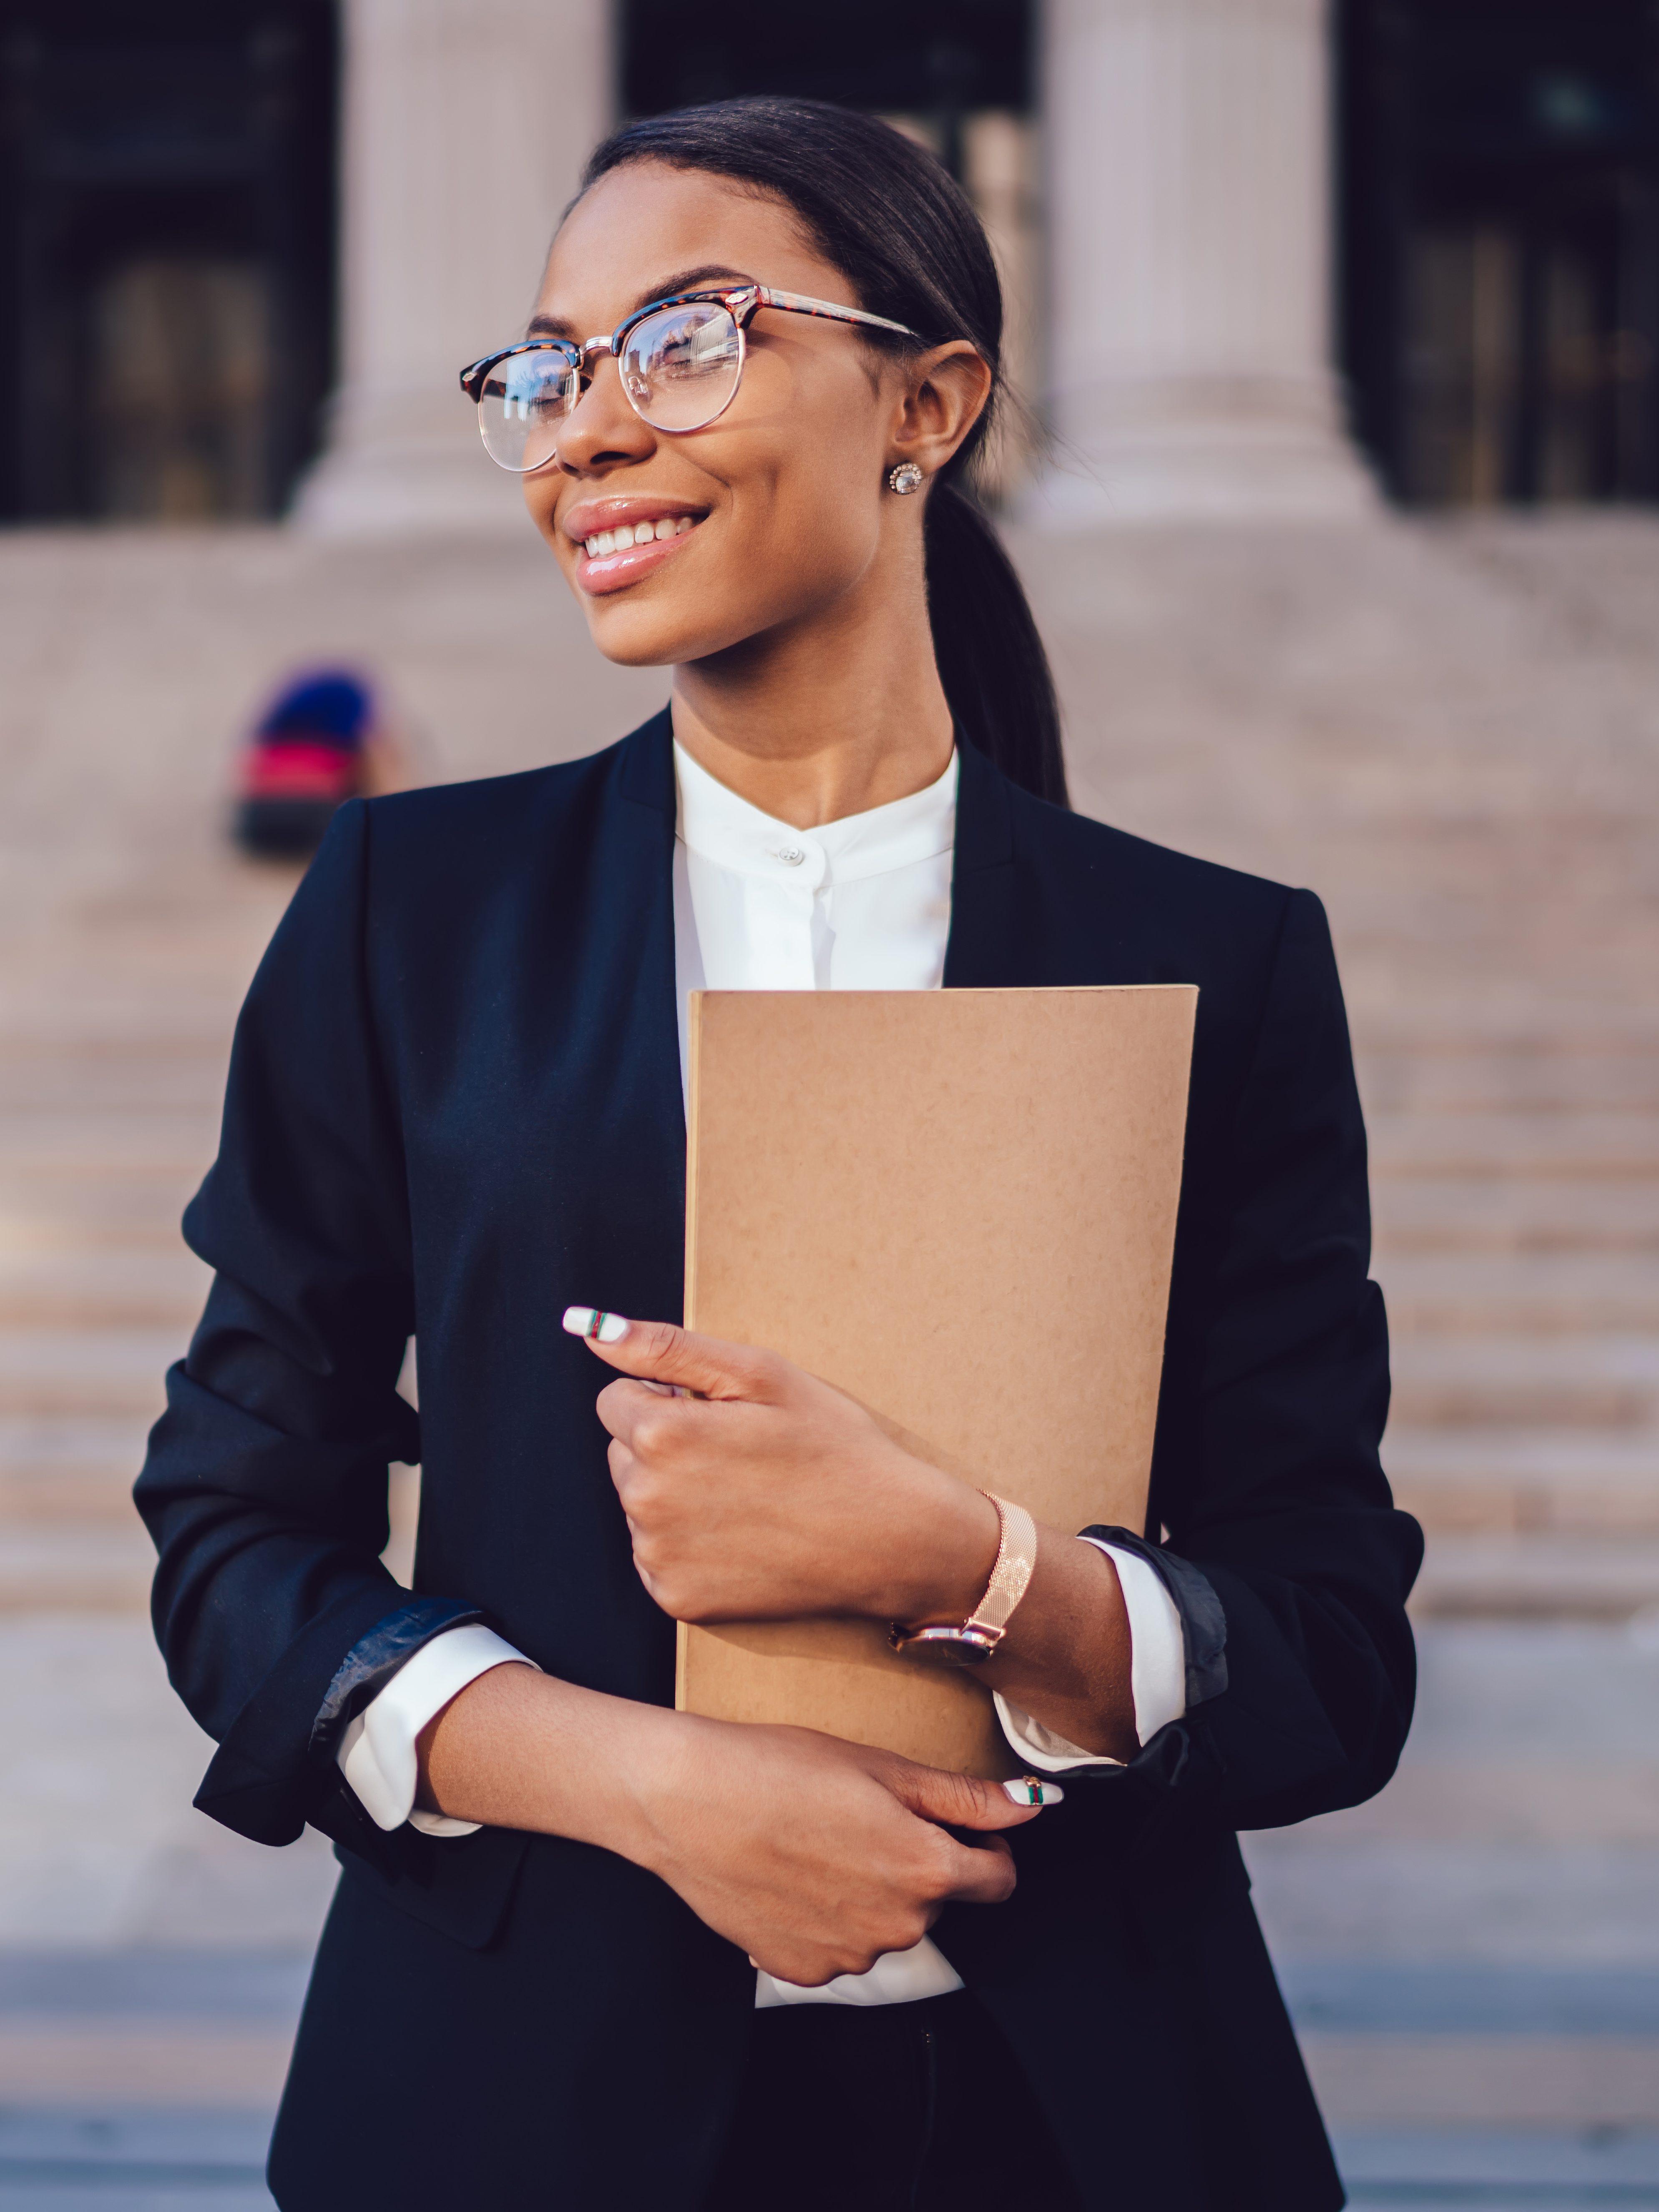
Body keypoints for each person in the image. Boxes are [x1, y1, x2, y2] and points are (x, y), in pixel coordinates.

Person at [136, 97, 1421, 2212]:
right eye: (546, 372)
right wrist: (655, 1786)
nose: (584, 433)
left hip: (1080, 2121)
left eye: (681, 340)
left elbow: (1327, 1656)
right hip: (505, 2119)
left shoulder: (1212, 960)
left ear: (927, 398)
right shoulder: (403, 913)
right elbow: (233, 1535)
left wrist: (965, 1568)